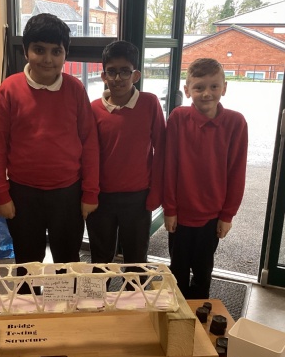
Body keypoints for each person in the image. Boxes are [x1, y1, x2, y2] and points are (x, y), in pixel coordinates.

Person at [0, 13, 99, 288]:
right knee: (27, 263)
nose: (48, 59)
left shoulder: (75, 89)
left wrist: (90, 192)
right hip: (23, 194)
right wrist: (1, 193)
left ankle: (65, 308)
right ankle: (28, 306)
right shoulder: (9, 89)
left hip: (68, 194)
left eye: (56, 51)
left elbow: (89, 142)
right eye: (39, 50)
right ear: (26, 50)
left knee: (67, 262)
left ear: (65, 54)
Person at [163, 58, 248, 299]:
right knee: (177, 270)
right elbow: (169, 166)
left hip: (212, 216)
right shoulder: (178, 118)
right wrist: (170, 209)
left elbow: (237, 171)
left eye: (214, 86)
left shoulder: (236, 123)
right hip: (180, 214)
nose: (207, 93)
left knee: (203, 270)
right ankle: (178, 312)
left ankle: (198, 313)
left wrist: (227, 215)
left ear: (224, 88)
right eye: (199, 87)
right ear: (187, 90)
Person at [86, 40, 166, 289]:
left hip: (138, 198)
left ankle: (135, 300)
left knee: (136, 257)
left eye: (125, 71)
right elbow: (89, 156)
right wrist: (89, 193)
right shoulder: (93, 109)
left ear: (136, 75)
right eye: (112, 71)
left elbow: (161, 150)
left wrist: (156, 193)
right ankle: (97, 300)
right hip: (102, 198)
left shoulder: (150, 103)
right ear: (103, 76)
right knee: (100, 256)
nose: (118, 78)